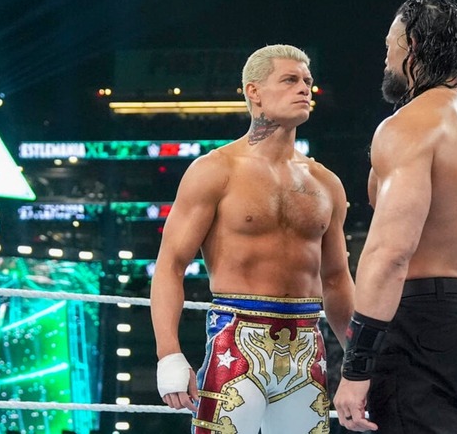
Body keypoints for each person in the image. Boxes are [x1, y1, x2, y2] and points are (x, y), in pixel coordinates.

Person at [333, 0, 457, 433]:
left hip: (425, 326)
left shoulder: (408, 126)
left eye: (389, 45)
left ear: (412, 44)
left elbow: (389, 253)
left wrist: (356, 367)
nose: (385, 57)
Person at [149, 44, 354, 434]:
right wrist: (168, 353)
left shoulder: (326, 183)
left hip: (309, 344)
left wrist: (360, 362)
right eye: (290, 80)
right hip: (236, 338)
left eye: (308, 81)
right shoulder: (215, 170)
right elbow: (171, 266)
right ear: (253, 91)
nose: (304, 89)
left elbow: (337, 280)